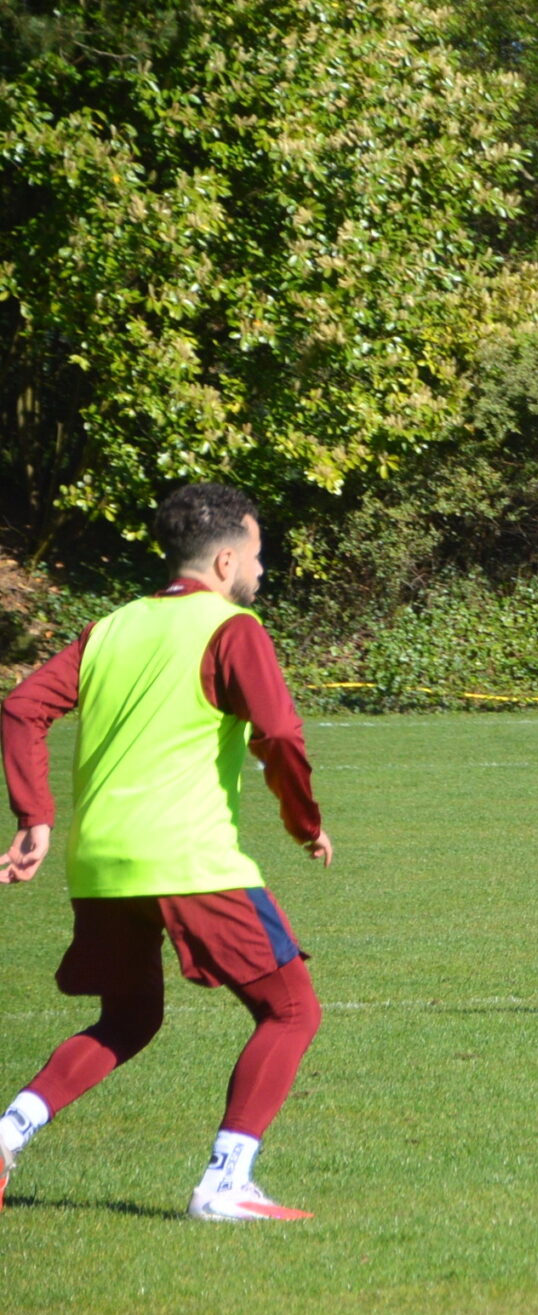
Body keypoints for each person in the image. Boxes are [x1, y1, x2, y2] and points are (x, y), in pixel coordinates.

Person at [0, 484, 333, 1220]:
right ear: (223, 560)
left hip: (101, 863)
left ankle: (6, 1132)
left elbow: (21, 706)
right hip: (188, 857)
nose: (261, 569)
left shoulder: (110, 627)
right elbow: (278, 733)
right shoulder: (233, 627)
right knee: (290, 1009)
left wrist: (35, 815)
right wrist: (304, 820)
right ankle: (225, 1181)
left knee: (128, 1018)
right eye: (256, 554)